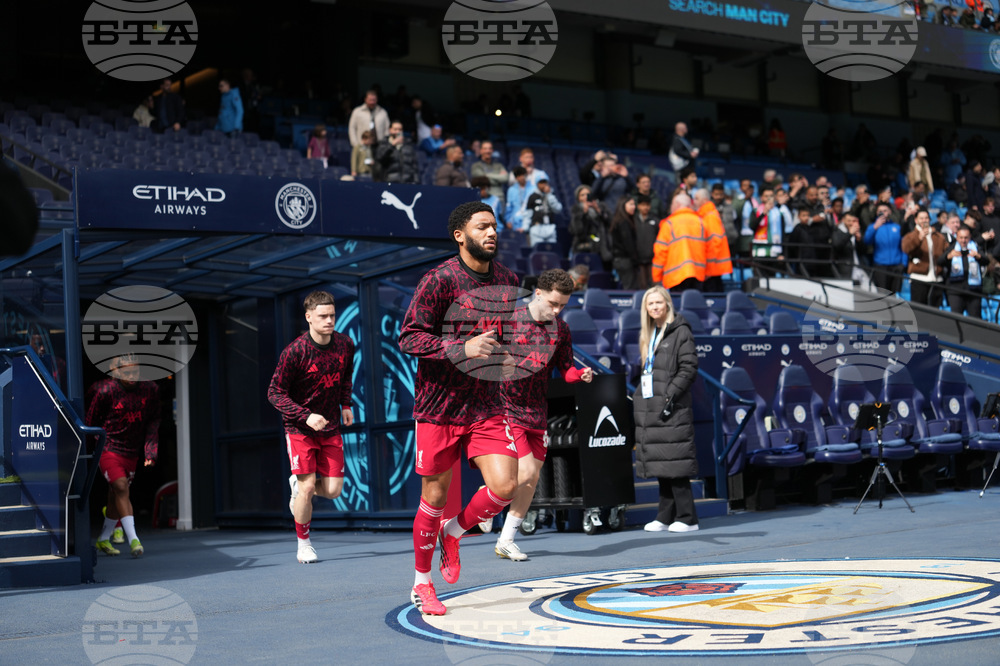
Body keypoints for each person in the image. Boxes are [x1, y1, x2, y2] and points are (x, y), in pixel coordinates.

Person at [398, 201, 520, 616]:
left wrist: (506, 354)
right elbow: (409, 337)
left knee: (505, 486)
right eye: (482, 226)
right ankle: (422, 583)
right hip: (439, 406)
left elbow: (504, 333)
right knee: (433, 496)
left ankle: (453, 532)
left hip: (486, 402)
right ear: (460, 235)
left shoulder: (508, 279)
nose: (492, 232)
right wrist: (460, 348)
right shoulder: (439, 280)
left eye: (494, 226)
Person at [497, 269, 593, 560]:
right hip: (506, 407)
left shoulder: (561, 330)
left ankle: (506, 540)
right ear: (537, 293)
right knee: (525, 472)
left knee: (531, 479)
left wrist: (580, 374)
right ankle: (488, 501)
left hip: (538, 412)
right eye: (553, 303)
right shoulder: (508, 321)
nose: (557, 310)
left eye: (562, 305)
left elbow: (566, 370)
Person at [268, 291, 354, 564]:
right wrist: (305, 416)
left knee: (333, 490)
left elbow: (346, 377)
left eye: (332, 315)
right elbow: (274, 393)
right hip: (300, 429)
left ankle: (298, 485)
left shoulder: (346, 344)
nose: (329, 321)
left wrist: (346, 404)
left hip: (330, 427)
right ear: (308, 317)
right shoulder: (295, 352)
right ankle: (304, 544)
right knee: (307, 488)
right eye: (323, 316)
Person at [632, 286, 699, 533]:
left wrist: (669, 395)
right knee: (663, 462)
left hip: (672, 407)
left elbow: (689, 367)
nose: (655, 307)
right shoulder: (649, 334)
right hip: (652, 407)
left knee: (675, 462)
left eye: (659, 302)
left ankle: (688, 518)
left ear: (668, 304)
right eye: (650, 304)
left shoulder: (681, 331)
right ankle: (664, 515)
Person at [87, 354, 160, 558]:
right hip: (108, 447)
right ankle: (134, 540)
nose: (131, 376)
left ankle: (103, 539)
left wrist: (150, 450)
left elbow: (154, 420)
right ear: (116, 372)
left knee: (115, 496)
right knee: (121, 487)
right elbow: (90, 421)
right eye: (126, 373)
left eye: (135, 372)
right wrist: (92, 448)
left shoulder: (150, 389)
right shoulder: (104, 390)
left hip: (131, 451)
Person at [653, 193, 707, 291]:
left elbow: (661, 252)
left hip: (676, 276)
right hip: (698, 274)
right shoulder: (701, 222)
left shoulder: (669, 223)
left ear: (677, 205)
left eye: (672, 204)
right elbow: (709, 249)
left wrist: (656, 276)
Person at [901, 208, 948, 307]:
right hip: (919, 279)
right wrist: (918, 238)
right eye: (921, 218)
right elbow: (906, 248)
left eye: (926, 218)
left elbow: (946, 252)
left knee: (935, 311)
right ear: (916, 220)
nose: (924, 220)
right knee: (919, 311)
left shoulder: (938, 236)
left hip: (936, 279)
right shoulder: (911, 235)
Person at [938, 227, 988, 318]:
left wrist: (978, 256)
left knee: (975, 319)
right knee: (956, 319)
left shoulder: (975, 247)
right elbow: (939, 262)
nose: (963, 240)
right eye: (961, 238)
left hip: (973, 291)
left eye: (966, 238)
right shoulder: (952, 247)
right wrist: (949, 256)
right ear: (957, 237)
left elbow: (986, 261)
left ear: (970, 237)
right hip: (955, 291)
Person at [693, 188, 733, 291]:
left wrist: (708, 270)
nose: (694, 201)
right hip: (712, 268)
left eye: (696, 198)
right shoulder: (706, 215)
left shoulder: (710, 216)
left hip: (712, 270)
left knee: (713, 296)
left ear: (704, 200)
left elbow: (715, 243)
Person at [864, 202, 907, 294]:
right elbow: (867, 241)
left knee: (895, 295)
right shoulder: (873, 227)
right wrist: (875, 227)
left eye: (885, 211)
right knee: (882, 294)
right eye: (880, 211)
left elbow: (904, 246)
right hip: (881, 266)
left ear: (890, 212)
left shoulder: (897, 227)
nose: (882, 213)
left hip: (896, 266)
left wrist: (903, 263)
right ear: (876, 213)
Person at [568, 185, 612, 257]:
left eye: (588, 194)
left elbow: (610, 222)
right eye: (582, 195)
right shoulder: (576, 210)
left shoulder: (602, 207)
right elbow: (577, 230)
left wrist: (598, 211)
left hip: (604, 246)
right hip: (586, 246)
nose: (585, 197)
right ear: (578, 198)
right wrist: (583, 214)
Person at [610, 197, 641, 289]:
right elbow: (628, 244)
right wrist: (635, 260)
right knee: (630, 288)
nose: (634, 207)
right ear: (623, 206)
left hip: (620, 260)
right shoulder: (623, 222)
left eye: (634, 204)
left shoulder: (619, 221)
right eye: (631, 204)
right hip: (625, 260)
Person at [525, 179, 563, 246]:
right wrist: (525, 227)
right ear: (537, 184)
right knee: (537, 249)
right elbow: (528, 213)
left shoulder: (552, 195)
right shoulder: (532, 196)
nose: (543, 185)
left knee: (552, 248)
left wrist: (549, 195)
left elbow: (558, 209)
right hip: (536, 228)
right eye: (541, 182)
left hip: (550, 228)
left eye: (545, 182)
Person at [470, 141, 509, 205]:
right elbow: (482, 180)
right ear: (481, 151)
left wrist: (487, 175)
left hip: (499, 198)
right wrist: (498, 178)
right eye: (485, 149)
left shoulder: (499, 165)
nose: (488, 151)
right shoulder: (476, 166)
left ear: (492, 151)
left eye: (490, 148)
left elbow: (505, 178)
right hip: (484, 199)